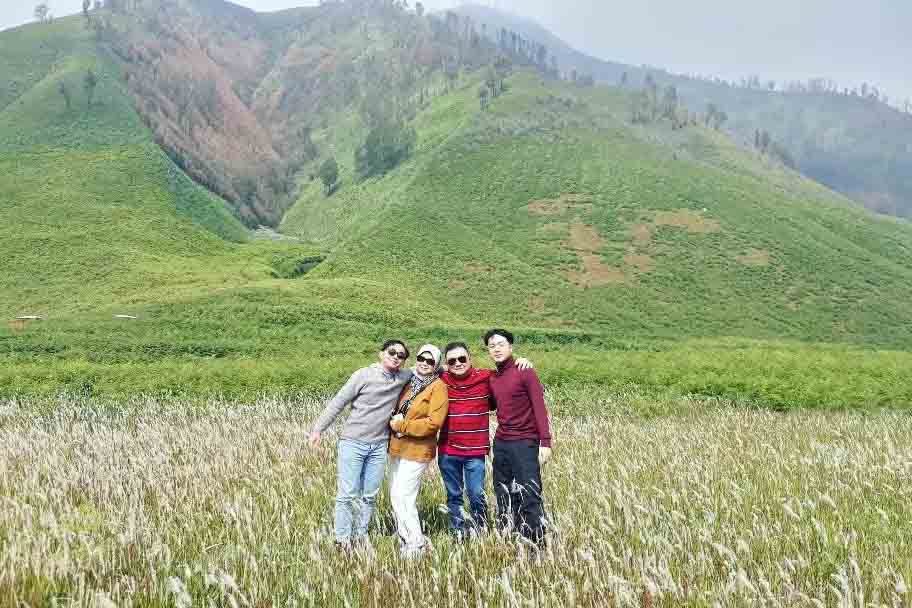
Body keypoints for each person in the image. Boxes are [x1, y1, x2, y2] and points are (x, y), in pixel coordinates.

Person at [309, 340, 413, 549]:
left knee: (369, 495)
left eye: (401, 355)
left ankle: (360, 534)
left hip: (379, 445)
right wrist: (318, 429)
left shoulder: (403, 376)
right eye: (392, 352)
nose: (396, 357)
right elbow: (339, 401)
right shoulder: (363, 375)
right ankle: (342, 539)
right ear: (381, 354)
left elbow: (426, 369)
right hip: (353, 443)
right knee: (347, 494)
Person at [437, 343, 533, 539]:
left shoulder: (486, 377)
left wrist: (521, 362)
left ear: (470, 359)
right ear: (446, 364)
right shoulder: (441, 380)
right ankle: (458, 533)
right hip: (448, 451)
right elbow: (420, 371)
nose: (458, 363)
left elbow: (507, 374)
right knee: (454, 496)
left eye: (462, 359)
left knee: (476, 495)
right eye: (452, 361)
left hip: (475, 452)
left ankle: (479, 530)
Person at [485, 328, 552, 547]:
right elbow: (490, 403)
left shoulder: (525, 371)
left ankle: (537, 543)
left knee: (529, 493)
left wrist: (546, 441)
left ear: (510, 347)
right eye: (492, 345)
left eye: (501, 344)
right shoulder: (493, 378)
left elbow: (539, 407)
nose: (496, 348)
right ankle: (511, 536)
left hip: (525, 442)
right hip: (502, 443)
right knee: (503, 491)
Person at [387, 344, 449, 558]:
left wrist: (401, 426)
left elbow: (434, 423)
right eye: (421, 358)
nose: (424, 363)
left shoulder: (438, 387)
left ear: (436, 365)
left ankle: (416, 543)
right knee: (395, 494)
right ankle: (404, 536)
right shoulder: (409, 382)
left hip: (418, 450)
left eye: (430, 361)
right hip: (398, 447)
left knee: (405, 495)